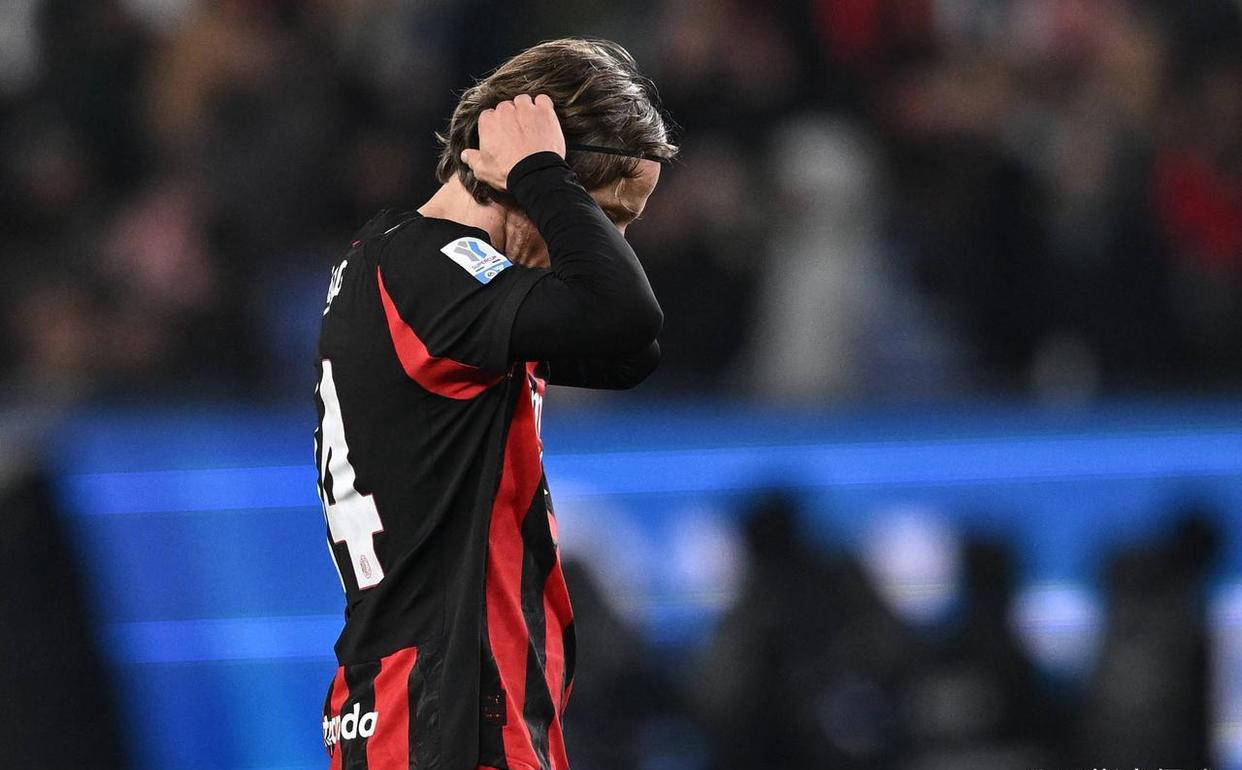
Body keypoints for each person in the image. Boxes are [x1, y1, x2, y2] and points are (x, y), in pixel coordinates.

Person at [312, 38, 676, 770]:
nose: (607, 244)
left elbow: (633, 351)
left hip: (421, 705)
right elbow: (623, 314)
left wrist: (548, 187)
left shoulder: (419, 272)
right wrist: (542, 171)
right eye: (606, 216)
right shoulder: (429, 272)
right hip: (444, 711)